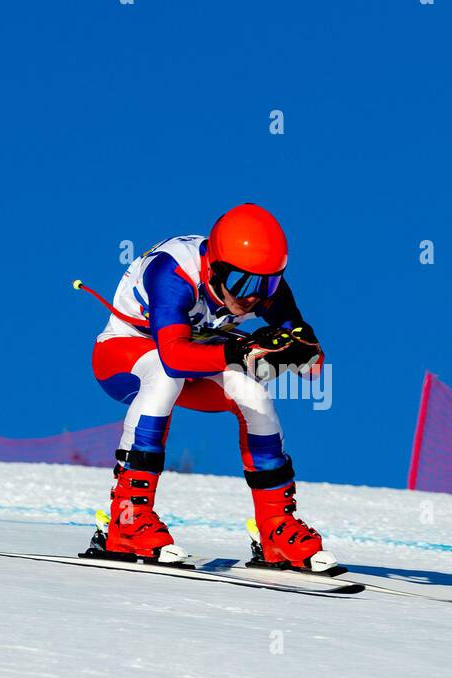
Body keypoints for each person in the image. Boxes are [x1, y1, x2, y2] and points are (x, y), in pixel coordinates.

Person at [86, 203, 332, 569]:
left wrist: (297, 353)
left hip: (193, 361)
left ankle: (274, 527)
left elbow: (314, 369)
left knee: (252, 394)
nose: (253, 297)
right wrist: (240, 349)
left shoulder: (264, 287)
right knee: (164, 374)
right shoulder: (173, 271)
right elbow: (173, 356)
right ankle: (126, 519)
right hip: (124, 356)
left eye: (269, 283)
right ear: (214, 269)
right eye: (242, 283)